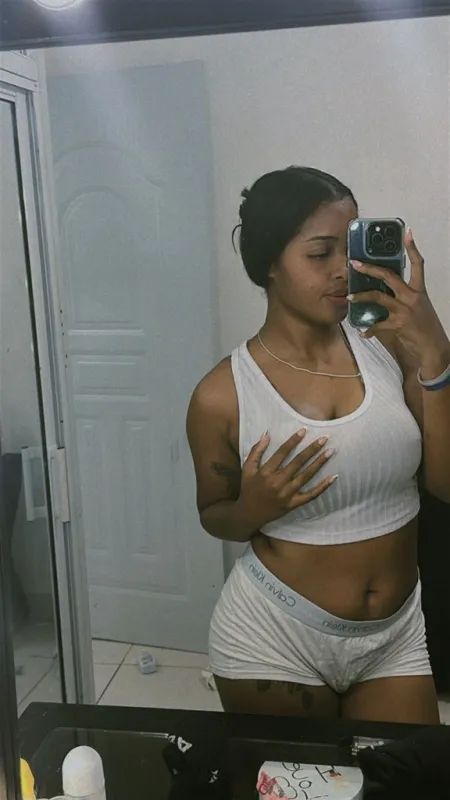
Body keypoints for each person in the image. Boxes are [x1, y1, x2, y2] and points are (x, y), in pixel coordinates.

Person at [187, 166, 450, 723]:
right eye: (320, 253)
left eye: (350, 247)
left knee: (418, 770)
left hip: (395, 635)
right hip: (273, 638)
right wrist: (253, 508)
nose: (343, 270)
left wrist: (436, 354)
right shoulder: (222, 395)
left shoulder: (390, 346)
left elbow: (445, 484)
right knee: (298, 774)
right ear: (270, 264)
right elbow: (214, 515)